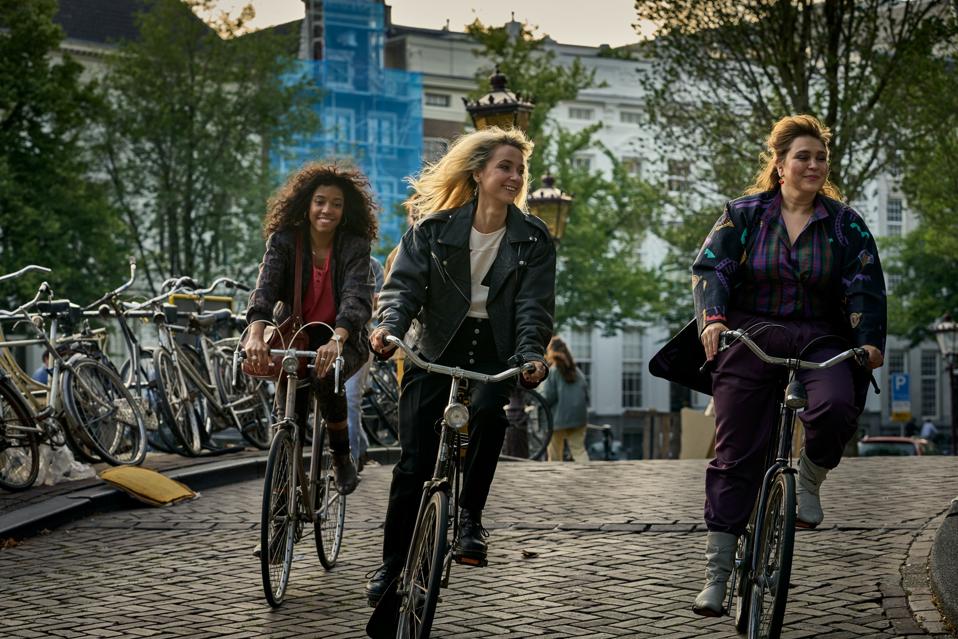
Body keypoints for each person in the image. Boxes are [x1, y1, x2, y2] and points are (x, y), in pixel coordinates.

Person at [689, 114, 886, 616]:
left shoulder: (845, 224)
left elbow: (865, 284)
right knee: (735, 453)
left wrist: (868, 341)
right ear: (779, 164)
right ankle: (717, 573)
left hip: (821, 336)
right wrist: (714, 319)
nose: (814, 165)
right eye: (803, 157)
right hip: (752, 335)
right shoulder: (743, 215)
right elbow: (712, 269)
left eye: (821, 157)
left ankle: (810, 480)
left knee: (836, 406)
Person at [365, 126, 556, 605]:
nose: (515, 177)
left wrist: (531, 354)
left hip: (495, 350)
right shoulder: (432, 231)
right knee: (413, 463)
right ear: (478, 172)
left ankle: (470, 518)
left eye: (520, 170)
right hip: (435, 349)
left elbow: (534, 308)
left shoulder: (533, 239)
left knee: (490, 412)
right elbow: (402, 290)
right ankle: (391, 566)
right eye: (504, 167)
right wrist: (388, 329)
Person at [246, 162, 378, 495]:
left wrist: (337, 339)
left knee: (326, 375)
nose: (327, 210)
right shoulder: (284, 241)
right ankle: (280, 509)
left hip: (342, 336)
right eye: (320, 201)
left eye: (336, 203)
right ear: (306, 204)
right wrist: (256, 335)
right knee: (288, 414)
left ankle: (341, 456)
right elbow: (265, 289)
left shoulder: (355, 245)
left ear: (345, 210)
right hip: (295, 334)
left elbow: (356, 299)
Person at [345, 256, 385, 472]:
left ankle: (351, 462)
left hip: (360, 339)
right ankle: (361, 449)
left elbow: (381, 300)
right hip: (327, 338)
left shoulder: (373, 265)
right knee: (341, 400)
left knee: (351, 398)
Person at [540, 337, 590, 463]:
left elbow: (548, 396)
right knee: (579, 450)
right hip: (578, 416)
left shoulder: (553, 371)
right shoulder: (576, 371)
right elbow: (586, 392)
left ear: (550, 351)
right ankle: (586, 471)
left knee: (555, 453)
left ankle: (556, 474)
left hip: (557, 418)